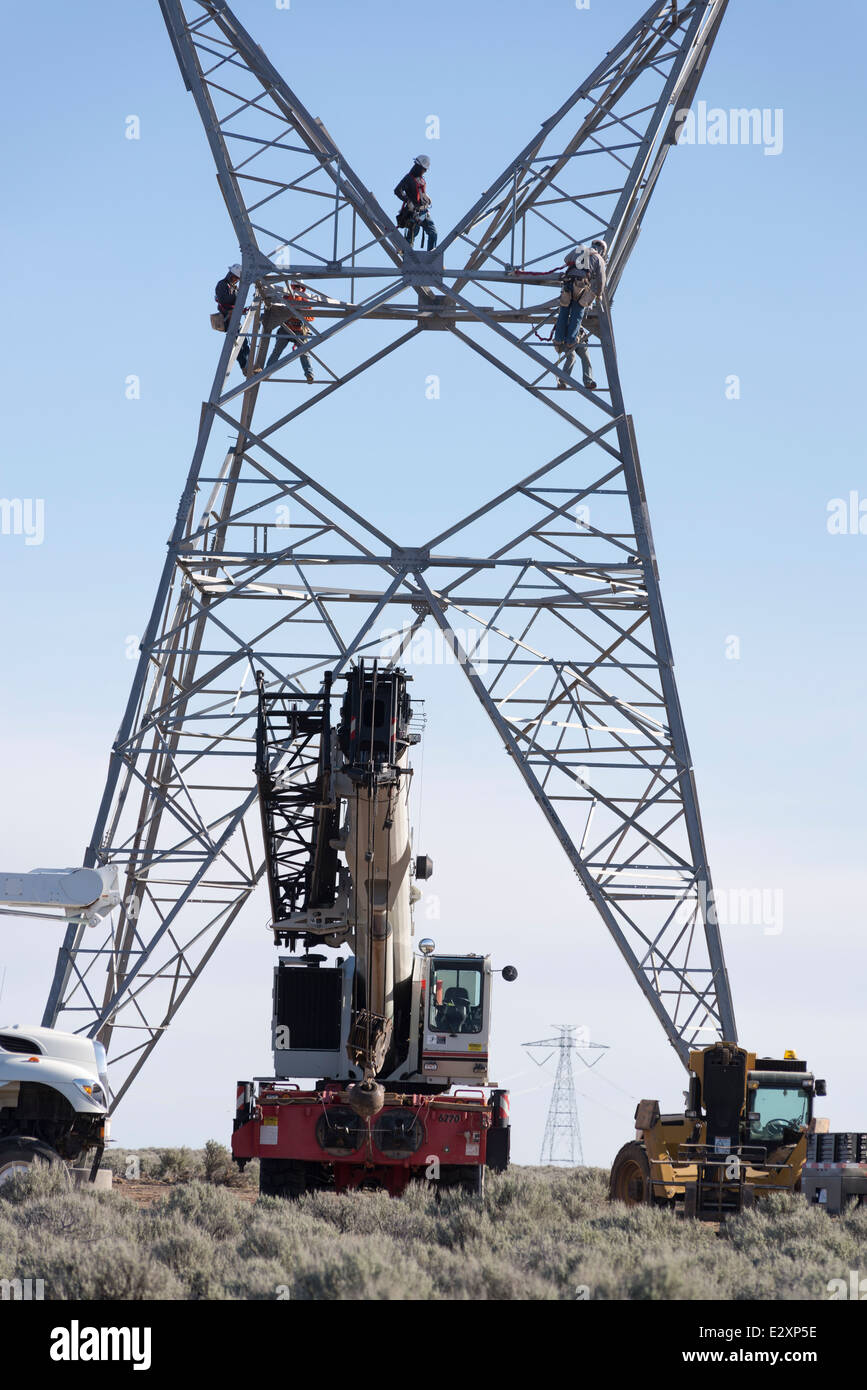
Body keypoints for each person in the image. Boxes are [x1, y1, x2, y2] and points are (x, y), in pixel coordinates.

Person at [553, 239, 607, 390]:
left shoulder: (580, 249)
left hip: (567, 285)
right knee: (577, 313)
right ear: (602, 250)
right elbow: (601, 281)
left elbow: (566, 259)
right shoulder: (599, 258)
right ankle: (570, 341)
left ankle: (558, 340)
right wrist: (598, 294)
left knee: (563, 311)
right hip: (581, 286)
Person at [265, 281, 316, 383]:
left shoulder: (305, 301)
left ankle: (309, 374)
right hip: (286, 328)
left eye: (300, 287)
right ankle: (267, 372)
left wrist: (299, 313)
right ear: (292, 287)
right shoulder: (286, 298)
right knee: (277, 351)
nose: (299, 289)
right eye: (296, 287)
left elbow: (311, 316)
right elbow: (277, 309)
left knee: (303, 352)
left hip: (300, 330)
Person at [394, 155, 437, 250]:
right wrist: (407, 200)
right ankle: (406, 252)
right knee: (413, 234)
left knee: (433, 234)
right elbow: (397, 190)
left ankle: (431, 256)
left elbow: (420, 192)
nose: (424, 171)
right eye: (424, 169)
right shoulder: (408, 178)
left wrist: (425, 197)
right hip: (414, 213)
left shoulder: (421, 179)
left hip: (424, 212)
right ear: (418, 167)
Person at [214, 263, 250, 372]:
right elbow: (225, 300)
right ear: (231, 276)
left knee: (244, 342)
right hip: (227, 318)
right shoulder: (222, 285)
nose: (237, 281)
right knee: (237, 344)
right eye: (236, 278)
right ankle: (245, 366)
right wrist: (237, 296)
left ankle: (249, 363)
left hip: (234, 317)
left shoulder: (233, 287)